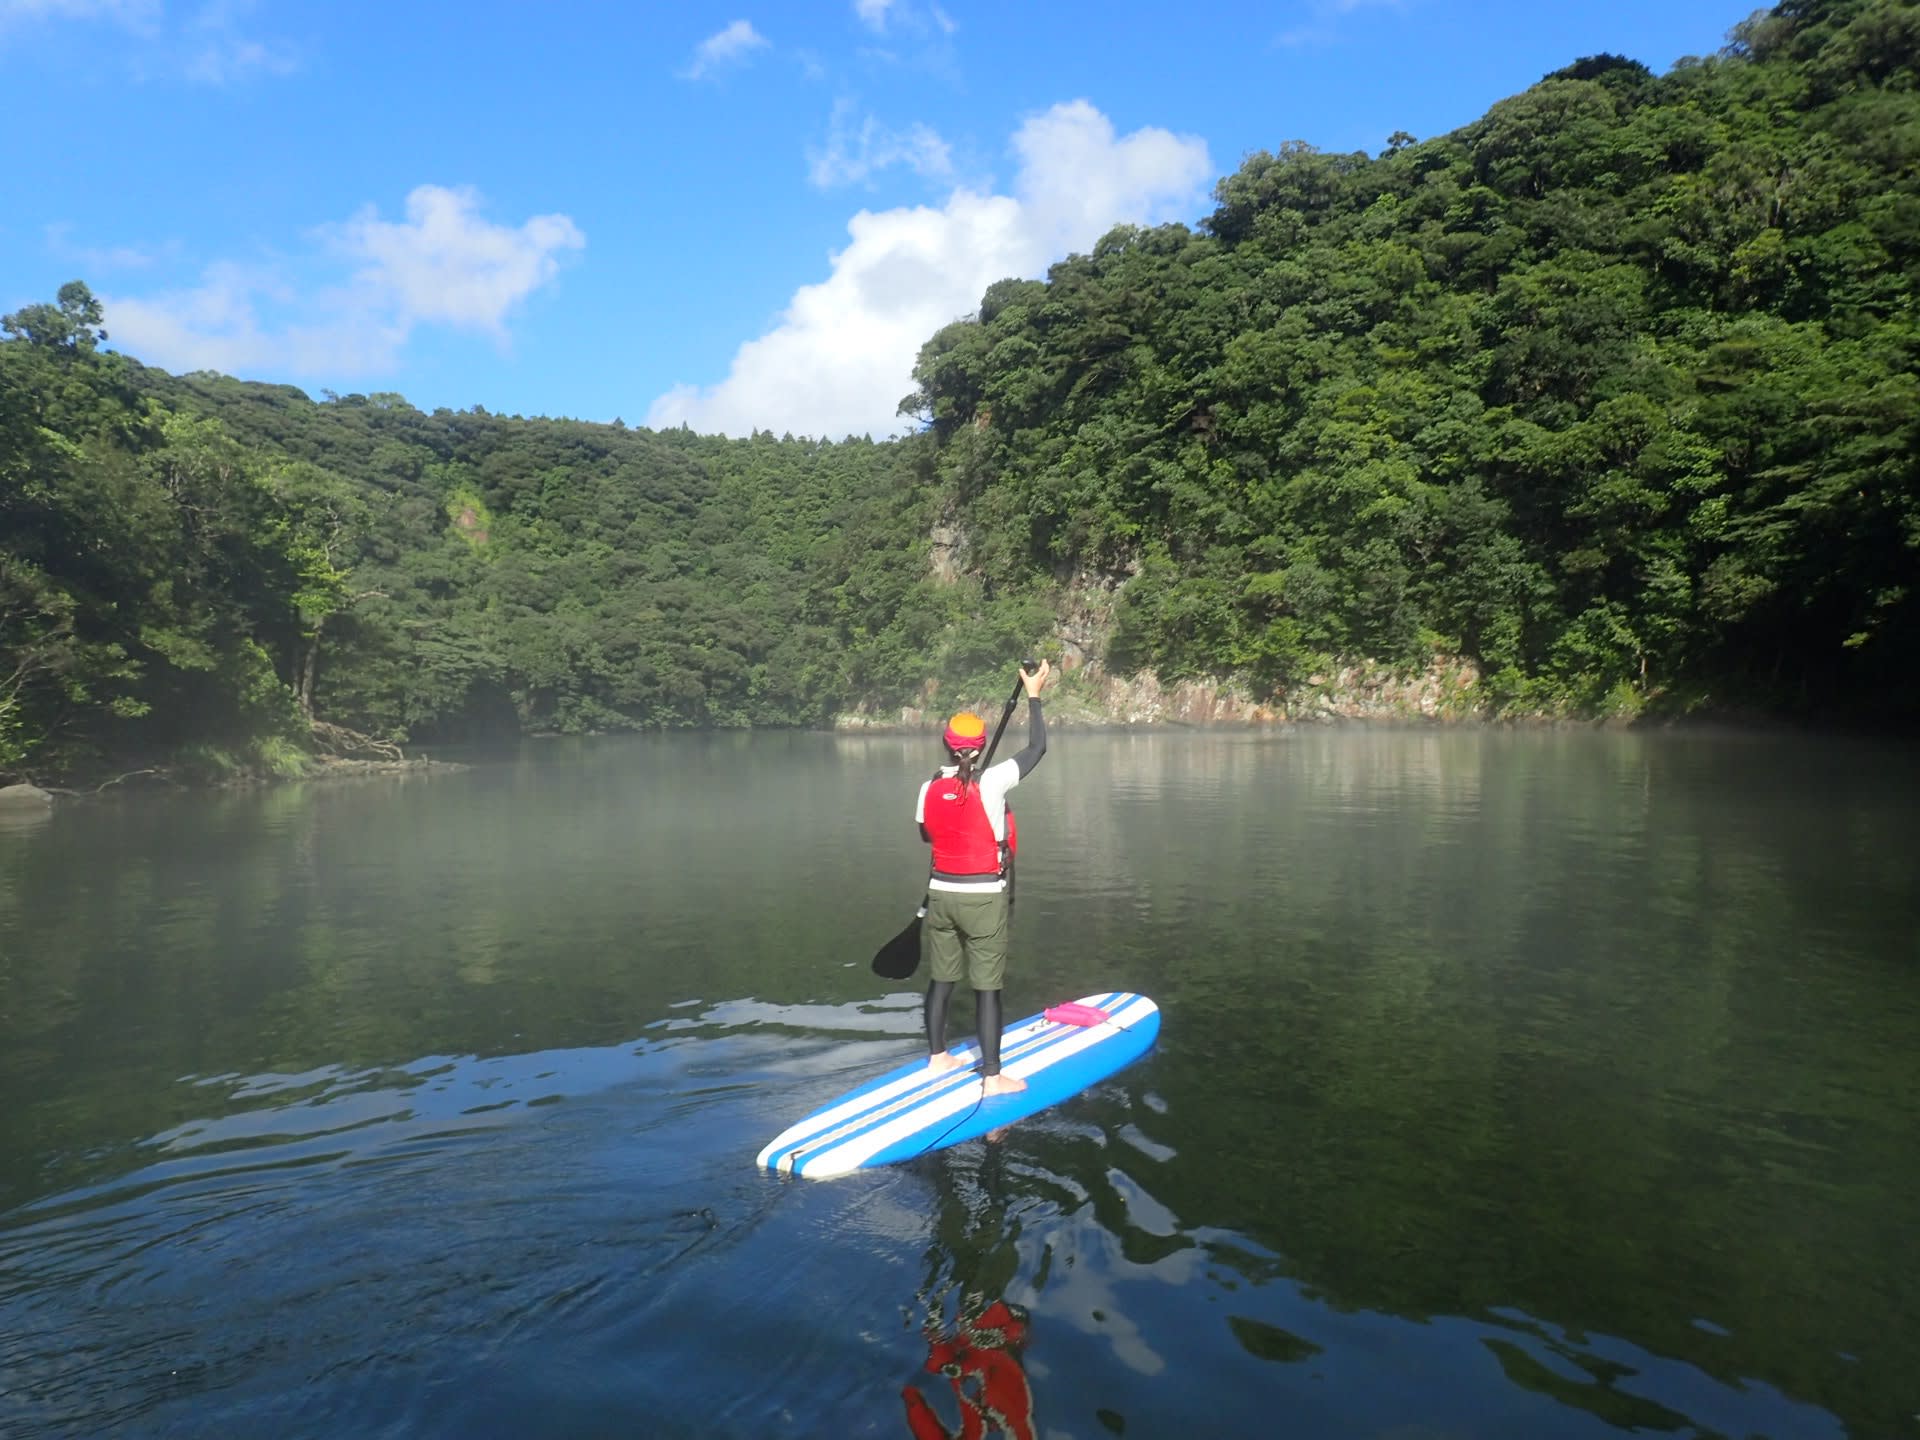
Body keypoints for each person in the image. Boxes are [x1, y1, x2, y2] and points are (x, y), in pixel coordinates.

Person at [916, 659, 1050, 1097]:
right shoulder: (992, 782)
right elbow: (1036, 749)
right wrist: (1033, 694)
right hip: (983, 899)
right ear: (979, 745)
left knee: (941, 979)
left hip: (940, 895)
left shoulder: (930, 785)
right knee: (987, 989)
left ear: (947, 745)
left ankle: (938, 1057)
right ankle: (992, 1077)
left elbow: (926, 834)